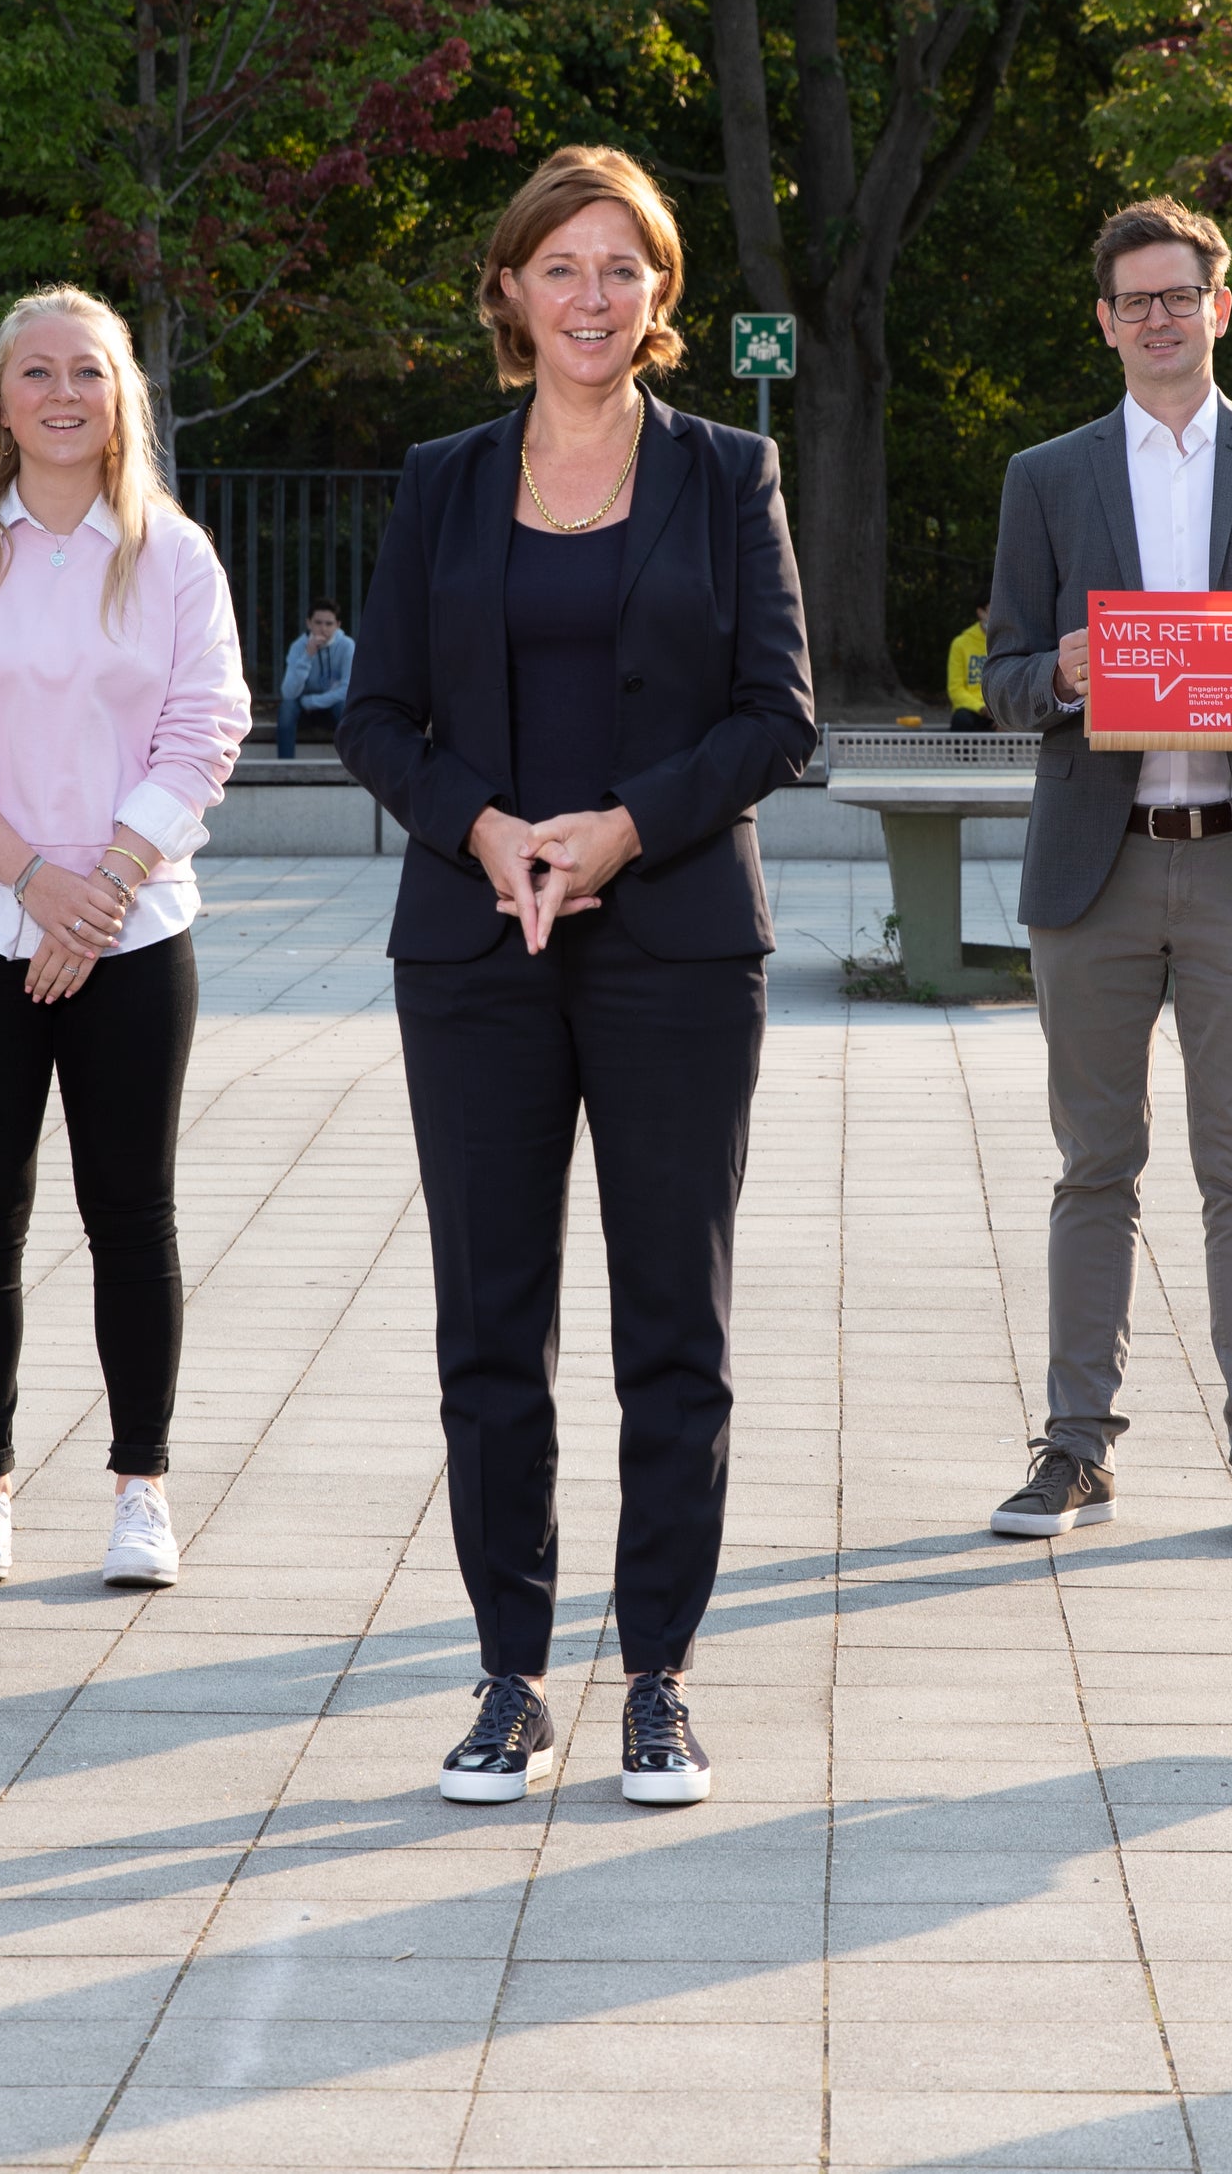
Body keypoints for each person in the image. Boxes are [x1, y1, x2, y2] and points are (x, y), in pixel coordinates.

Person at [339, 146, 815, 1812]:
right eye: (562, 266)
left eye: (624, 266)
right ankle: (511, 1675)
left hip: (676, 946)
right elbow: (373, 713)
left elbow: (778, 713)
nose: (593, 295)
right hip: (475, 952)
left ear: (660, 292)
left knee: (674, 1326)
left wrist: (620, 829)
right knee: (492, 1326)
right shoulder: (444, 480)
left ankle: (660, 1676)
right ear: (510, 289)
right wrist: (486, 830)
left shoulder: (730, 472)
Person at [978, 200, 1232, 1553]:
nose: (1158, 317)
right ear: (1104, 320)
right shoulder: (1047, 475)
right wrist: (1058, 672)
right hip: (1096, 868)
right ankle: (1075, 1447)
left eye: (1179, 294)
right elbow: (1001, 674)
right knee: (1094, 1166)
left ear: (1220, 306)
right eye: (1134, 299)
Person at [0, 287, 248, 1595]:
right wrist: (35, 883)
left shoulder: (174, 556)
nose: (64, 393)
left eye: (88, 371)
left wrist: (102, 891)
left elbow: (205, 728)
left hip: (135, 932)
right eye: (38, 372)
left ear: (121, 397)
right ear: (3, 399)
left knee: (131, 1213)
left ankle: (142, 1489)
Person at [272, 600, 353, 757]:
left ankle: (351, 765)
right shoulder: (298, 646)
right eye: (318, 623)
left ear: (338, 625)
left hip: (330, 706)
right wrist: (307, 656)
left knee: (346, 709)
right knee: (286, 710)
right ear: (308, 623)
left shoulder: (347, 646)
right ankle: (284, 767)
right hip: (303, 709)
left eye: (329, 624)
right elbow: (288, 693)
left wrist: (311, 701)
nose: (323, 628)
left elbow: (347, 690)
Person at [945, 600, 992, 729]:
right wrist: (982, 708)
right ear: (980, 612)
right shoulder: (960, 644)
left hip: (1002, 711)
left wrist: (1003, 714)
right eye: (993, 609)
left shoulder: (1010, 642)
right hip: (974, 710)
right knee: (961, 719)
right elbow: (956, 690)